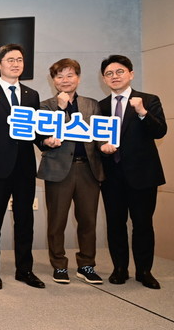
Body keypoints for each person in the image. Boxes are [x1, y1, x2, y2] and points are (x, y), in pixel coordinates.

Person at [0, 43, 44, 289]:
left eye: (19, 60)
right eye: (10, 60)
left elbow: (36, 130)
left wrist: (46, 141)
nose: (16, 64)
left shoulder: (31, 95)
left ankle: (25, 270)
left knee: (25, 220)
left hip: (24, 166)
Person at [98, 55, 167, 289]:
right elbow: (95, 138)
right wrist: (101, 147)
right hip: (112, 176)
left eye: (120, 71)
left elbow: (160, 131)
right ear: (104, 79)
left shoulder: (148, 100)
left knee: (143, 224)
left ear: (131, 74)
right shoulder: (101, 106)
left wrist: (142, 112)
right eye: (109, 73)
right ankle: (120, 269)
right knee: (115, 224)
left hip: (143, 175)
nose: (114, 76)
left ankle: (144, 271)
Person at [36, 59, 105, 284]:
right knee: (57, 221)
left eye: (70, 75)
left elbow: (100, 135)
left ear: (78, 78)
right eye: (60, 76)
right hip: (58, 169)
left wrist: (106, 145)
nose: (65, 80)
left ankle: (86, 265)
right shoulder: (45, 106)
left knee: (88, 220)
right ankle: (59, 265)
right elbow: (42, 136)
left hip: (88, 169)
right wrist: (61, 108)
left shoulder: (92, 104)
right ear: (53, 81)